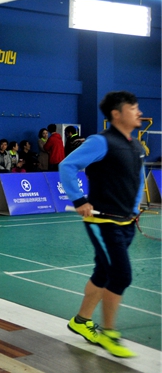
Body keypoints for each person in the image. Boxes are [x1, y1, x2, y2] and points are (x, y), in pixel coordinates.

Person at [60, 91, 145, 358]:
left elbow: (138, 179)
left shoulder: (135, 146)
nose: (139, 112)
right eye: (133, 108)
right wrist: (79, 199)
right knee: (121, 275)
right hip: (103, 221)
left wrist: (134, 208)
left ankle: (81, 321)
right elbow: (67, 165)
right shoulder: (101, 142)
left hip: (126, 221)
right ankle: (109, 333)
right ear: (117, 114)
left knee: (104, 273)